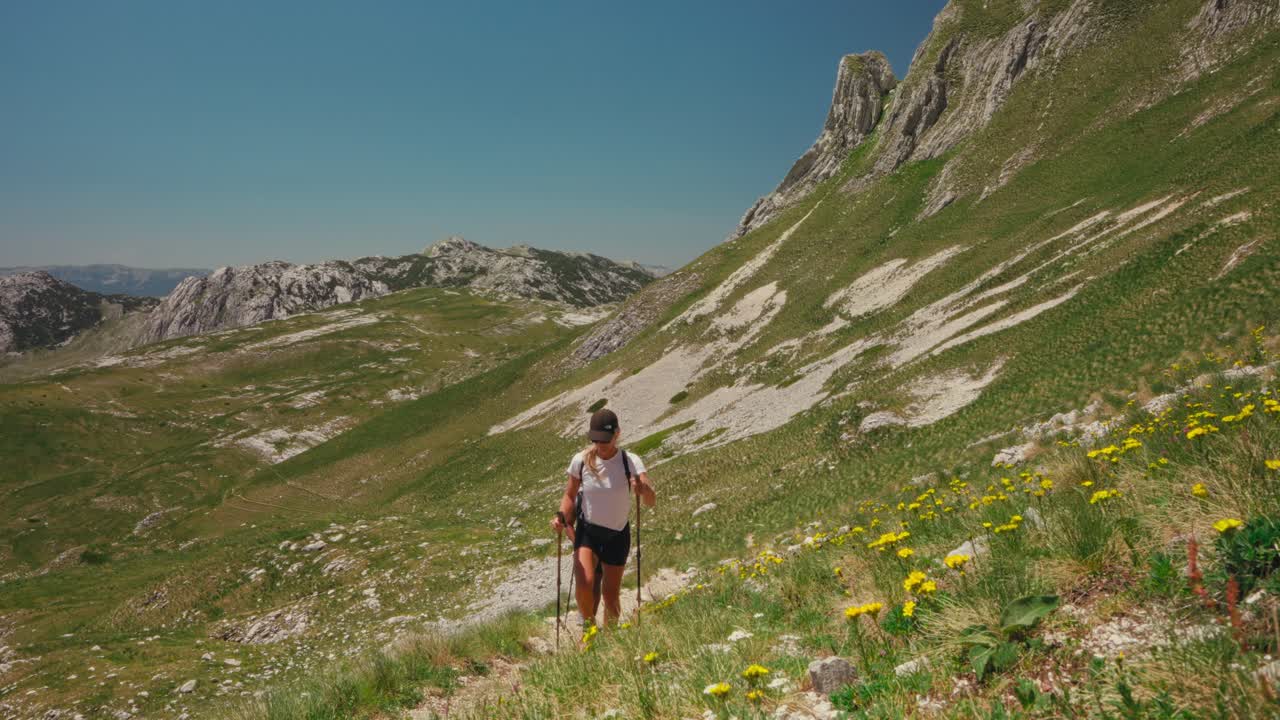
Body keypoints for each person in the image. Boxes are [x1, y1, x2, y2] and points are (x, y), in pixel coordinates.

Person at [551, 408, 656, 630]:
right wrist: (561, 515)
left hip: (617, 534)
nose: (601, 445)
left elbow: (650, 501)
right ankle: (588, 632)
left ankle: (611, 640)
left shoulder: (631, 462)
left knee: (610, 596)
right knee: (585, 584)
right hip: (588, 532)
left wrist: (642, 488)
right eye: (596, 440)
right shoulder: (580, 461)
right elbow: (570, 495)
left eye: (605, 440)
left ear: (617, 434)